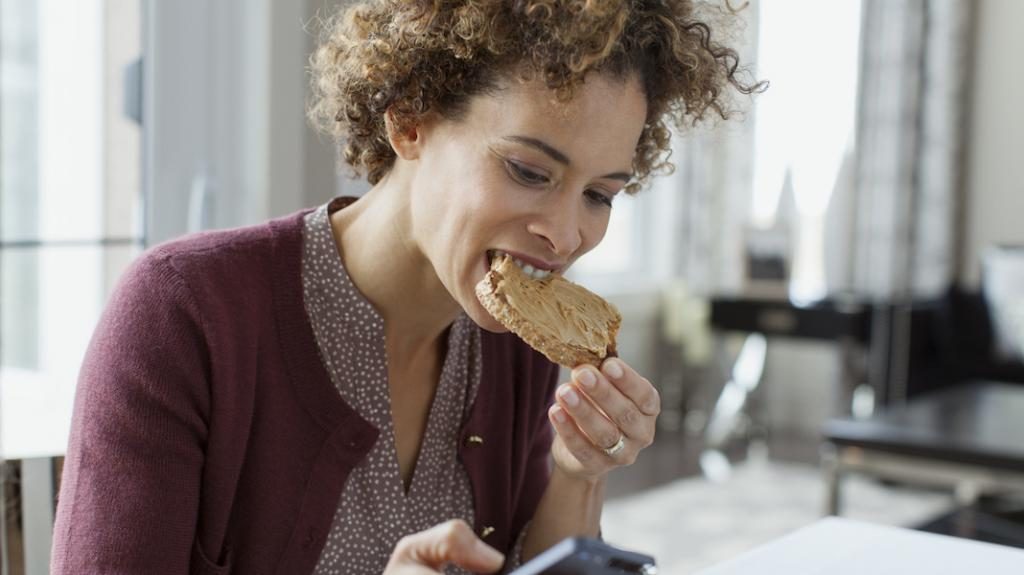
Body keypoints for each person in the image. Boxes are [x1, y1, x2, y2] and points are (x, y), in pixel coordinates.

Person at [51, 1, 761, 573]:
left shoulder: (519, 346)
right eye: (529, 171)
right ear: (410, 118)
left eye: (601, 194)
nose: (566, 234)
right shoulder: (184, 314)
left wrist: (577, 473)